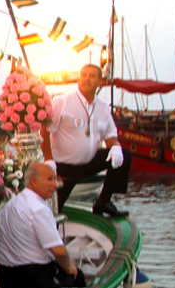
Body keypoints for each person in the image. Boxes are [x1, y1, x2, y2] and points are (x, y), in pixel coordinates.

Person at [0, 161, 86, 288]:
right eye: (50, 179)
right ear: (33, 182)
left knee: (22, 270)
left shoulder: (13, 203)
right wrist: (72, 269)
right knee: (77, 277)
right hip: (30, 278)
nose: (55, 184)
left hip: (4, 276)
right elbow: (59, 251)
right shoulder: (38, 209)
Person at [42, 64, 130, 216]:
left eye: (92, 76)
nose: (87, 79)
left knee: (125, 155)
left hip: (89, 162)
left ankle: (103, 202)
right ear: (78, 79)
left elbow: (110, 135)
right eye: (84, 75)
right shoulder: (63, 102)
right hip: (64, 167)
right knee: (53, 211)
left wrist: (115, 146)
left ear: (100, 82)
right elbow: (45, 131)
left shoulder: (103, 106)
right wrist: (49, 161)